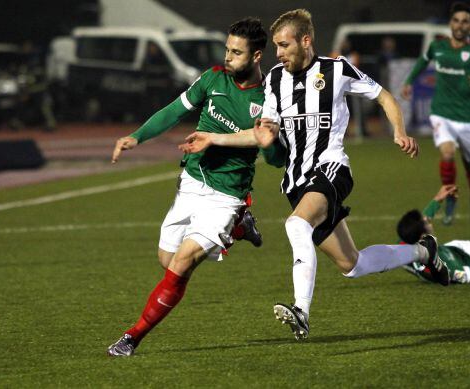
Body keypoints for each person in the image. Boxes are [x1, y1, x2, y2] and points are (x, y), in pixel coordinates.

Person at [178, 9, 449, 342]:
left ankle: (301, 311)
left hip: (332, 168)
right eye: (275, 46)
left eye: (283, 45)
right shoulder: (275, 80)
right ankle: (424, 252)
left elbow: (383, 96)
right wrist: (213, 138)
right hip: (298, 182)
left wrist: (399, 131)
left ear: (305, 41)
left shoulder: (336, 70)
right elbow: (262, 133)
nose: (277, 53)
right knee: (353, 265)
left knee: (295, 224)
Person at [106, 18, 284, 357]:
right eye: (227, 50)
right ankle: (240, 227)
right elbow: (175, 110)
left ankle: (132, 337)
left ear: (257, 55)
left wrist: (269, 142)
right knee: (167, 260)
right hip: (191, 182)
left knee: (182, 263)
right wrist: (136, 136)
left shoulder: (269, 99)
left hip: (226, 195)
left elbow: (275, 159)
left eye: (236, 52)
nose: (228, 57)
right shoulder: (214, 78)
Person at [401, 2, 470, 228]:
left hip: (469, 118)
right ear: (450, 23)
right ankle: (449, 199)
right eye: (456, 20)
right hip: (441, 113)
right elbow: (423, 61)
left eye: (465, 21)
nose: (460, 25)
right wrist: (409, 81)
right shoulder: (438, 46)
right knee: (447, 155)